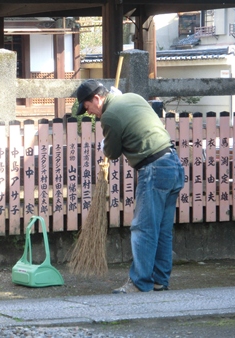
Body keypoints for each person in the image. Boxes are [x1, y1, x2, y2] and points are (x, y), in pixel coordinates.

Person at [74, 79, 185, 294]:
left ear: (97, 98)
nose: (92, 115)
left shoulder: (110, 115)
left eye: (89, 108)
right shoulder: (133, 97)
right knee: (162, 230)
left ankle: (139, 282)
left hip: (154, 169)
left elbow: (113, 153)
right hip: (173, 165)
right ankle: (160, 280)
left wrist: (105, 144)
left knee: (143, 229)